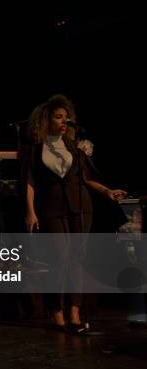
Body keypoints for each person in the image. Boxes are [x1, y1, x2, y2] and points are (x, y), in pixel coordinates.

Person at [21, 94, 126, 334]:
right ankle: (56, 311)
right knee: (60, 260)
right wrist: (30, 211)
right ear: (45, 119)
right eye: (58, 117)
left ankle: (75, 312)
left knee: (77, 261)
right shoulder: (34, 149)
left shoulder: (72, 148)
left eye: (66, 118)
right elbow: (29, 182)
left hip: (80, 208)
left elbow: (86, 179)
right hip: (50, 209)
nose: (63, 122)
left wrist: (107, 191)